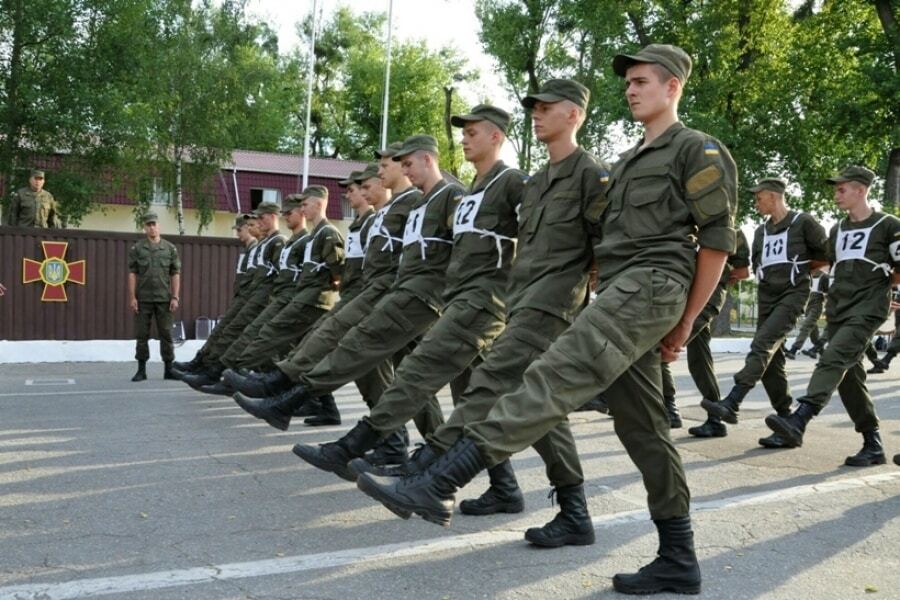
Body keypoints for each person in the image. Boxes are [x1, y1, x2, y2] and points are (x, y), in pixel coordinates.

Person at [355, 44, 737, 595]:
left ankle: (442, 479)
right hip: (620, 291)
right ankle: (679, 555)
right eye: (628, 82)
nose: (631, 90)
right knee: (643, 427)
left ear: (673, 86)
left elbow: (717, 243)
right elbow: (599, 245)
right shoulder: (628, 162)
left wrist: (685, 323)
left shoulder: (696, 150)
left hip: (655, 284)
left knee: (551, 375)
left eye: (643, 82)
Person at [292, 104, 530, 499]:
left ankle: (396, 460)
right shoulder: (470, 191)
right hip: (457, 303)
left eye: (473, 133)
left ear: (496, 136)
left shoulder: (504, 184)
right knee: (474, 398)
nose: (465, 140)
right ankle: (501, 487)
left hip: (477, 306)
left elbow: (532, 243)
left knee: (441, 383)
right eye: (464, 133)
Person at [228, 135, 465, 430]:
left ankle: (285, 390)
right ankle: (396, 446)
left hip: (408, 296)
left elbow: (460, 250)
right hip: (389, 292)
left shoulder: (431, 199)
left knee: (359, 351)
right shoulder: (407, 206)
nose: (380, 172)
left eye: (386, 166)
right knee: (397, 374)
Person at [766, 166, 900, 466]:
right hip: (839, 308)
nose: (836, 194)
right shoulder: (838, 229)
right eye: (836, 189)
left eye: (842, 189)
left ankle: (800, 419)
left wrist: (885, 288)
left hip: (867, 309)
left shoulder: (888, 225)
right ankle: (872, 444)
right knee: (849, 377)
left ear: (861, 190)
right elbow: (828, 263)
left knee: (832, 359)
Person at [702, 177, 828, 448]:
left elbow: (825, 256)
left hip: (793, 294)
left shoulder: (803, 222)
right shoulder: (760, 231)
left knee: (762, 345)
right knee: (771, 363)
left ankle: (733, 400)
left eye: (759, 198)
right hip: (767, 296)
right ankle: (787, 422)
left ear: (773, 196)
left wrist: (802, 272)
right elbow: (757, 263)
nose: (756, 203)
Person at [179, 203, 285, 388]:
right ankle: (211, 367)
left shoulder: (277, 242)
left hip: (263, 300)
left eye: (258, 220)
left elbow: (279, 276)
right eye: (252, 224)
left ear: (273, 216)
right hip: (251, 297)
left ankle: (218, 372)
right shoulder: (263, 246)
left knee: (246, 337)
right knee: (234, 333)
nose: (255, 226)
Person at [171, 214, 259, 375]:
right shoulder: (248, 250)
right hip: (241, 298)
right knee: (224, 331)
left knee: (236, 334)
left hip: (249, 300)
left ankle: (215, 368)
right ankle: (204, 363)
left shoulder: (256, 249)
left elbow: (254, 279)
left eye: (240, 229)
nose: (238, 234)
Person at [127, 212, 181, 381]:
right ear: (144, 228)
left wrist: (175, 297)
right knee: (142, 334)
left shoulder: (170, 249)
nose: (152, 227)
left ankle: (169, 369)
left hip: (164, 299)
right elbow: (132, 274)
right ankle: (141, 369)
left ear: (159, 226)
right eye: (148, 225)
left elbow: (175, 273)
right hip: (143, 299)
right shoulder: (137, 249)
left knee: (166, 333)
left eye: (154, 224)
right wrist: (132, 298)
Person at [784, 272, 829, 359]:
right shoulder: (808, 275)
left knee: (806, 325)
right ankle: (823, 356)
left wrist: (827, 309)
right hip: (808, 304)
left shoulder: (824, 277)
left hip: (817, 305)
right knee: (814, 334)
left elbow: (827, 295)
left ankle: (794, 349)